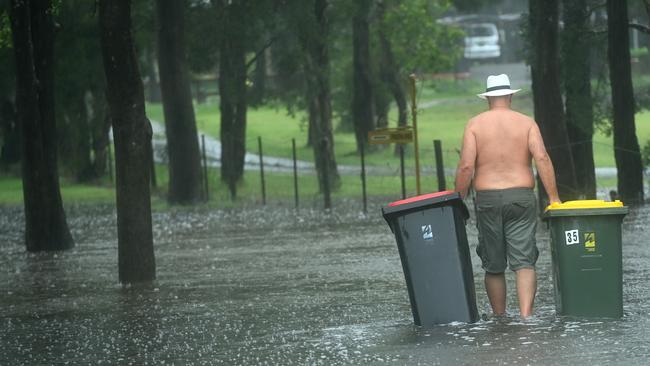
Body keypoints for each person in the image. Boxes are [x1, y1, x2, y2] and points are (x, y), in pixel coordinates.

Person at [454, 74, 561, 318]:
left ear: (488, 99)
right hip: (521, 198)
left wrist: (458, 200)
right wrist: (554, 197)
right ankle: (526, 317)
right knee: (524, 262)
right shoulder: (527, 123)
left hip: (487, 199)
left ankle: (500, 319)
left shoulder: (474, 125)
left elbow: (466, 167)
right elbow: (542, 158)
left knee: (493, 265)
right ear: (510, 96)